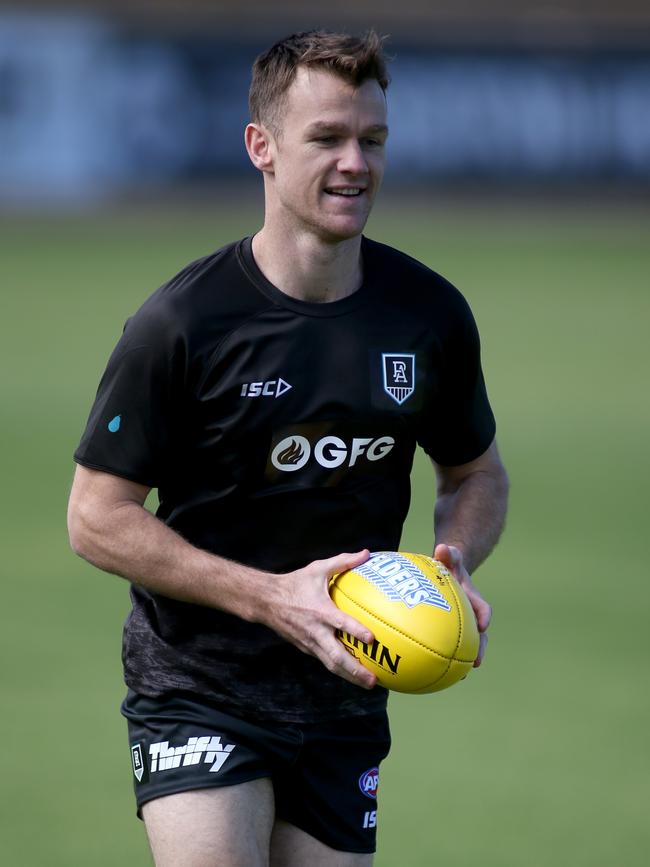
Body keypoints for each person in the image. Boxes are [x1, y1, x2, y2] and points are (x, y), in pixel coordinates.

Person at [67, 29, 509, 867]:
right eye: (328, 138)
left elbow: (476, 470)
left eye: (371, 140)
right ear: (261, 148)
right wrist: (271, 597)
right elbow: (95, 518)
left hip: (347, 689)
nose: (355, 163)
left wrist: (453, 562)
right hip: (200, 682)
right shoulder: (183, 323)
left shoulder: (429, 314)